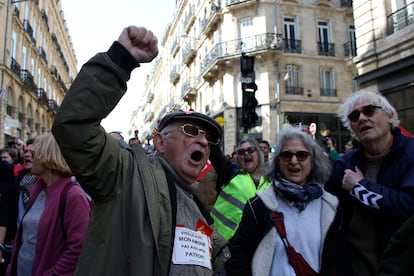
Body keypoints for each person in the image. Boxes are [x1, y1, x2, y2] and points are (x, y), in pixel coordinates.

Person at [51, 26, 229, 275]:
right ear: (159, 143)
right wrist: (120, 59)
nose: (202, 140)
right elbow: (74, 125)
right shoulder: (125, 174)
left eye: (208, 137)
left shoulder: (198, 208)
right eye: (190, 130)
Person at [225, 127, 346, 275]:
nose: (293, 161)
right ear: (277, 161)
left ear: (313, 161)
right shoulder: (259, 205)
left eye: (301, 155)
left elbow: (341, 260)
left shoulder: (331, 206)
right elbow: (239, 257)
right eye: (287, 155)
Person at [325, 90, 414, 275]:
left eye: (370, 111)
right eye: (355, 116)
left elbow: (408, 207)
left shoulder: (411, 153)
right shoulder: (345, 165)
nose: (362, 118)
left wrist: (360, 187)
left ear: (390, 116)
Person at [6, 133, 91, 276]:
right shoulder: (38, 190)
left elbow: (79, 249)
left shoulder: (73, 195)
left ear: (47, 156)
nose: (28, 157)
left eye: (33, 153)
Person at [210, 138, 271, 241]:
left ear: (259, 154)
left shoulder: (270, 181)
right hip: (222, 240)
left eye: (251, 150)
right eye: (241, 152)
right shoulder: (231, 173)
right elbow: (215, 153)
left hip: (256, 242)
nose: (246, 153)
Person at [0, 139, 36, 276]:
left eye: (32, 152)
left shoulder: (59, 188)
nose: (27, 155)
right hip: (18, 246)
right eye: (26, 151)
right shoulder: (19, 176)